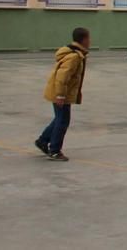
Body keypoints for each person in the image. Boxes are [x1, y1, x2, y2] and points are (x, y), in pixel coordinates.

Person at [35, 27, 90, 162]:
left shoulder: (76, 53)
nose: (90, 41)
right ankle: (54, 150)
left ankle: (43, 141)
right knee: (63, 121)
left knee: (59, 118)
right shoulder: (74, 56)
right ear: (83, 40)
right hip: (60, 93)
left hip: (62, 92)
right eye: (89, 38)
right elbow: (62, 76)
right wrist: (60, 95)